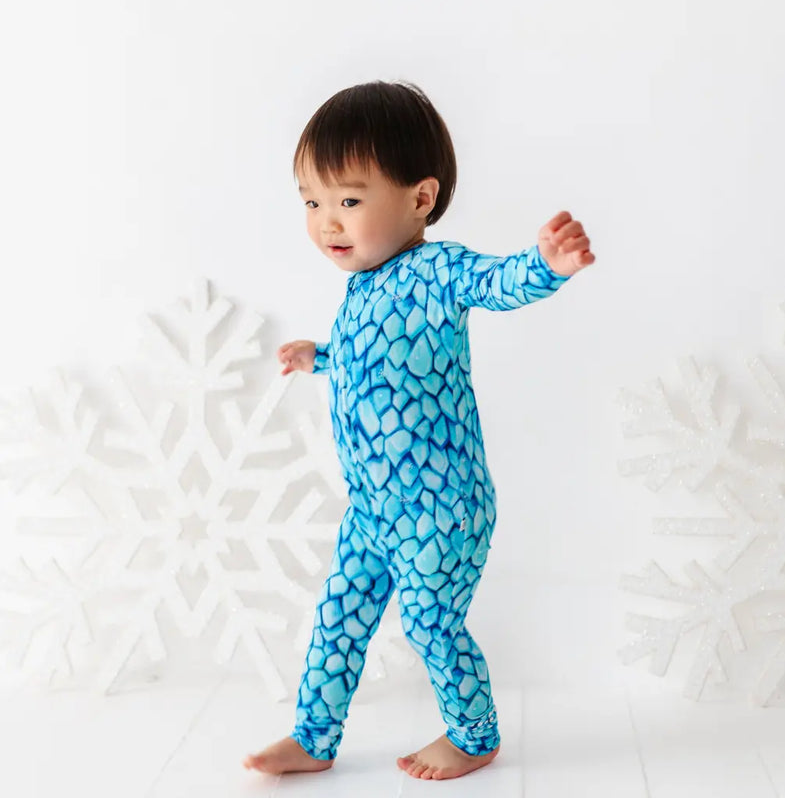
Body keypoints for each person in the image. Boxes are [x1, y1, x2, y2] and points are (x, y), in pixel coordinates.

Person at [243, 79, 595, 782]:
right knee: (339, 615)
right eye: (311, 202)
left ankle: (473, 734)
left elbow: (500, 282)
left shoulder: (439, 270)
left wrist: (546, 268)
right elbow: (379, 361)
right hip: (374, 508)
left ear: (420, 199)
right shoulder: (364, 284)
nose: (326, 222)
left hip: (440, 507)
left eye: (348, 200)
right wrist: (323, 357)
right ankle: (315, 736)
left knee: (429, 623)